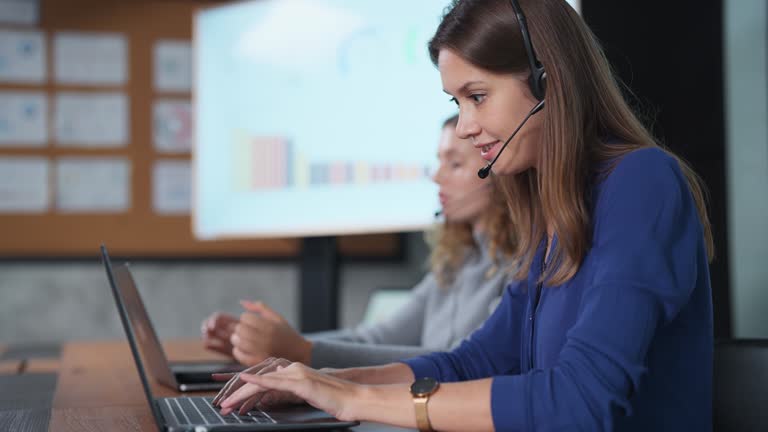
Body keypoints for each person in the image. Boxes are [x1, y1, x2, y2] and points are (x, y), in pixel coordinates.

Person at [212, 0, 715, 430]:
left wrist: (354, 401)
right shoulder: (554, 209)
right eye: (458, 102)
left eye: (477, 97)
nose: (467, 127)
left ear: (548, 83)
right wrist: (325, 384)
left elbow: (581, 401)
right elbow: (478, 361)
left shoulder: (642, 182)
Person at [201, 114, 516, 369]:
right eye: (440, 161)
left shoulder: (519, 269)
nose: (436, 176)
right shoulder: (457, 262)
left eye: (455, 164)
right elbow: (373, 340)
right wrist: (271, 342)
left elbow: (457, 364)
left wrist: (301, 351)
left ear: (499, 173)